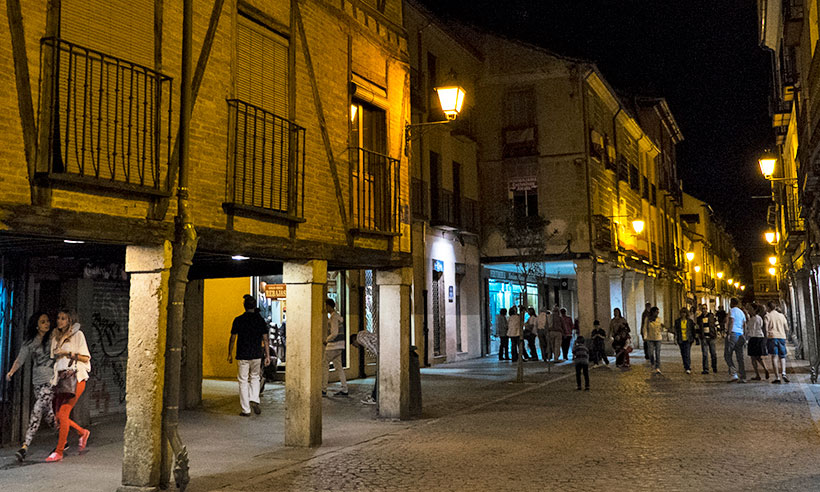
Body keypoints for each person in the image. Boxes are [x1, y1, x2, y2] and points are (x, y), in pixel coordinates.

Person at [6, 311, 56, 462]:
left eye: (47, 321)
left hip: (51, 381)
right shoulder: (30, 342)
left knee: (37, 411)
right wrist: (11, 372)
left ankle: (24, 447)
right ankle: (63, 439)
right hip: (37, 382)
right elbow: (20, 358)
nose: (46, 323)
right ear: (36, 325)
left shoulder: (53, 336)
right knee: (49, 415)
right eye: (42, 321)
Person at [47, 309, 91, 462]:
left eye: (63, 318)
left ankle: (59, 451)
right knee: (58, 415)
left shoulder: (77, 335)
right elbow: (53, 356)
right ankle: (82, 432)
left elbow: (86, 357)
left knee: (64, 413)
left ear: (69, 320)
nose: (60, 321)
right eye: (58, 318)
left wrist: (68, 354)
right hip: (61, 379)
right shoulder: (56, 336)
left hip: (76, 378)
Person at [228, 295, 271, 416]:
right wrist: (267, 355)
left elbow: (232, 338)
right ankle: (255, 399)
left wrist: (229, 353)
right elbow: (266, 339)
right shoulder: (260, 320)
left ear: (244, 306)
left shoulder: (238, 320)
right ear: (254, 306)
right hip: (257, 354)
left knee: (243, 380)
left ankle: (246, 409)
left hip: (242, 354)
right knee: (255, 377)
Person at [322, 298, 349, 396]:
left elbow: (334, 333)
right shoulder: (338, 317)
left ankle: (323, 389)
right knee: (339, 367)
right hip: (340, 345)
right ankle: (344, 388)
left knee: (324, 365)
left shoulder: (333, 318)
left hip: (332, 346)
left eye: (326, 306)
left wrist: (326, 340)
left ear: (329, 306)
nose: (325, 308)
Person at [349, 331, 379, 405]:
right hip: (384, 344)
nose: (356, 347)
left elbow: (371, 347)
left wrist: (379, 358)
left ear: (354, 340)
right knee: (378, 375)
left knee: (379, 375)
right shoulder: (362, 333)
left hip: (384, 347)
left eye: (353, 345)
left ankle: (374, 398)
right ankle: (374, 396)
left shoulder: (360, 338)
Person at [765, 301, 790, 384]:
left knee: (774, 357)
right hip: (781, 337)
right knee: (782, 356)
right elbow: (787, 328)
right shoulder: (781, 316)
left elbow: (766, 328)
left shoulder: (767, 316)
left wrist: (766, 337)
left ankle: (777, 377)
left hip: (772, 337)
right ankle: (784, 373)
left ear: (768, 308)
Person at [725, 298, 747, 383]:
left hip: (733, 333)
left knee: (727, 354)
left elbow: (731, 320)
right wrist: (744, 335)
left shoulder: (732, 310)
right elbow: (744, 324)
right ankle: (743, 376)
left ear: (731, 303)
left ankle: (733, 374)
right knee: (740, 357)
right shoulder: (741, 312)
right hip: (740, 334)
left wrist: (729, 334)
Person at [746, 302, 769, 381]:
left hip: (753, 338)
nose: (748, 310)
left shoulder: (752, 319)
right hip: (760, 337)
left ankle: (757, 375)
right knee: (758, 357)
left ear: (754, 309)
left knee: (753, 358)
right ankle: (765, 368)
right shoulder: (760, 318)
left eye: (750, 309)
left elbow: (749, 329)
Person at [694, 303, 718, 374]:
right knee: (705, 354)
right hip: (703, 337)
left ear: (707, 309)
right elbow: (697, 328)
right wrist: (698, 337)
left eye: (705, 308)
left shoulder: (711, 316)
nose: (704, 310)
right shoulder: (699, 318)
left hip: (711, 337)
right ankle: (705, 369)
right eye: (703, 309)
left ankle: (714, 367)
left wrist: (716, 333)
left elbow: (716, 324)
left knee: (713, 353)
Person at [642, 306, 664, 374]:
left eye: (658, 312)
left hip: (658, 338)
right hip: (650, 338)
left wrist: (662, 328)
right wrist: (645, 336)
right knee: (650, 353)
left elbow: (661, 327)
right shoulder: (647, 319)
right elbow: (645, 327)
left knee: (658, 353)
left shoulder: (659, 319)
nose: (657, 313)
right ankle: (652, 363)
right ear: (653, 312)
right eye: (656, 312)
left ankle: (657, 367)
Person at [674, 307, 695, 374]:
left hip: (688, 339)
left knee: (687, 353)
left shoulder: (690, 321)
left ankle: (688, 367)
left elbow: (692, 330)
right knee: (683, 353)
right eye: (682, 313)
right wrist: (675, 338)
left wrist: (693, 338)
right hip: (681, 339)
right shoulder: (677, 321)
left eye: (685, 313)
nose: (683, 314)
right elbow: (676, 330)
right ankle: (685, 365)